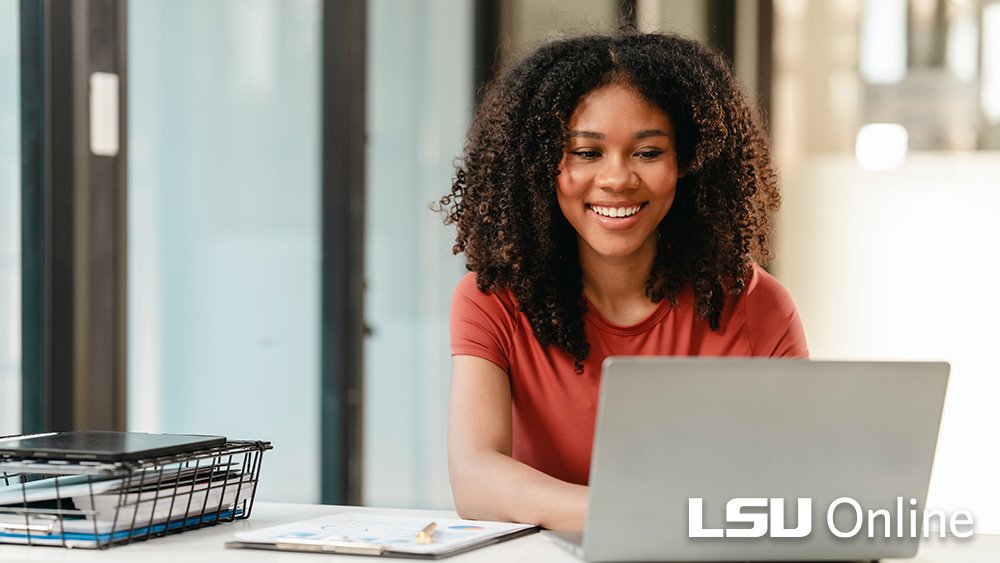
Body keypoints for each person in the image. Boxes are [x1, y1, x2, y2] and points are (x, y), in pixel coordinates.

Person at [436, 32, 808, 532]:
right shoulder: (493, 302)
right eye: (587, 153)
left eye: (648, 153)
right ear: (541, 165)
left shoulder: (757, 305)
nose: (617, 179)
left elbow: (800, 481)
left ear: (688, 163)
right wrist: (639, 514)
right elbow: (476, 478)